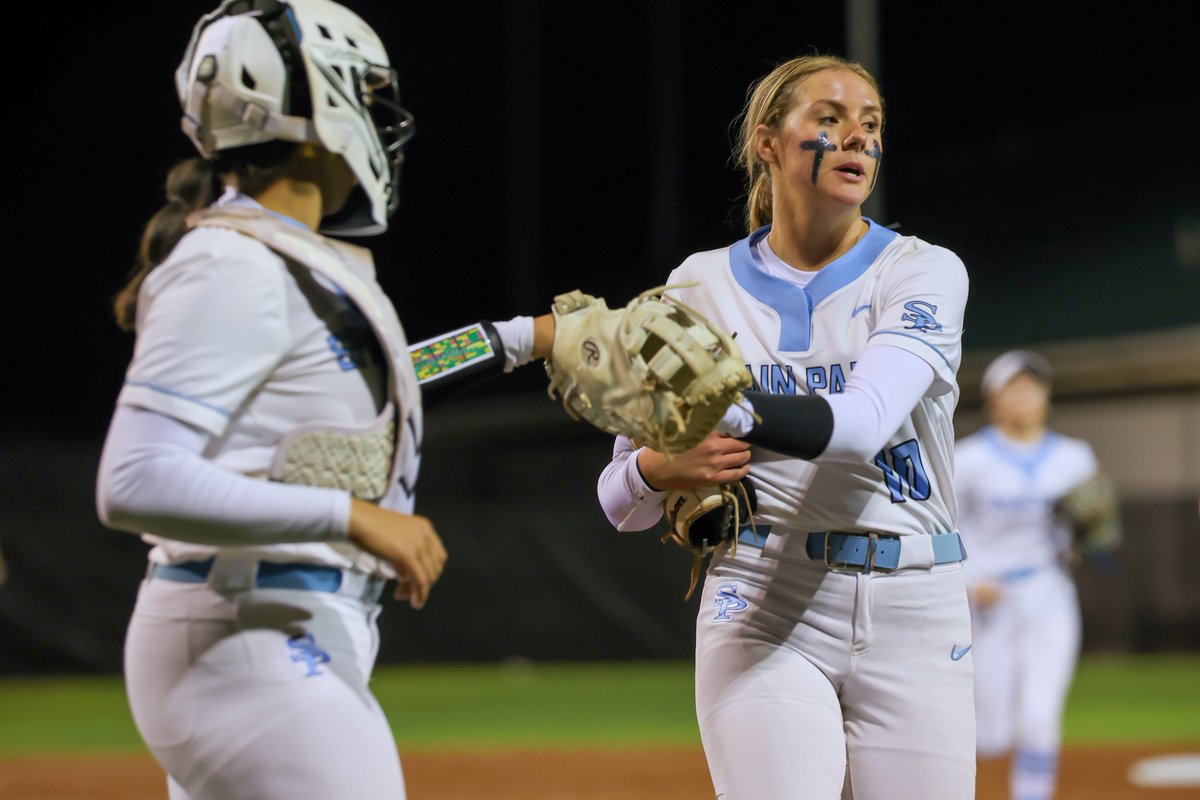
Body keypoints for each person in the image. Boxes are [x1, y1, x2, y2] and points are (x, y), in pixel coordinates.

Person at [94, 2, 556, 798]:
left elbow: (380, 387)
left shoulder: (274, 256)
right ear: (315, 108)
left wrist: (529, 338)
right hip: (247, 635)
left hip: (264, 634)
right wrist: (352, 516)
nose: (384, 119)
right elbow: (133, 481)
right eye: (367, 93)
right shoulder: (231, 264)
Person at [597, 54, 975, 798]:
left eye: (870, 125)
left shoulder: (922, 271)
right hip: (763, 593)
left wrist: (718, 404)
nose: (857, 140)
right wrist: (656, 470)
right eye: (828, 121)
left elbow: (861, 423)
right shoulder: (696, 286)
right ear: (768, 143)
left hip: (917, 603)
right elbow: (619, 502)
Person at [955, 350, 1117, 800]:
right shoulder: (965, 459)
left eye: (1033, 387)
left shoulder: (1074, 456)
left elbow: (1094, 533)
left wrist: (1094, 533)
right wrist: (968, 580)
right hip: (987, 599)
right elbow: (943, 526)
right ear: (993, 397)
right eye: (1015, 387)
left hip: (1048, 592)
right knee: (991, 733)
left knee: (1040, 719)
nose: (1025, 396)